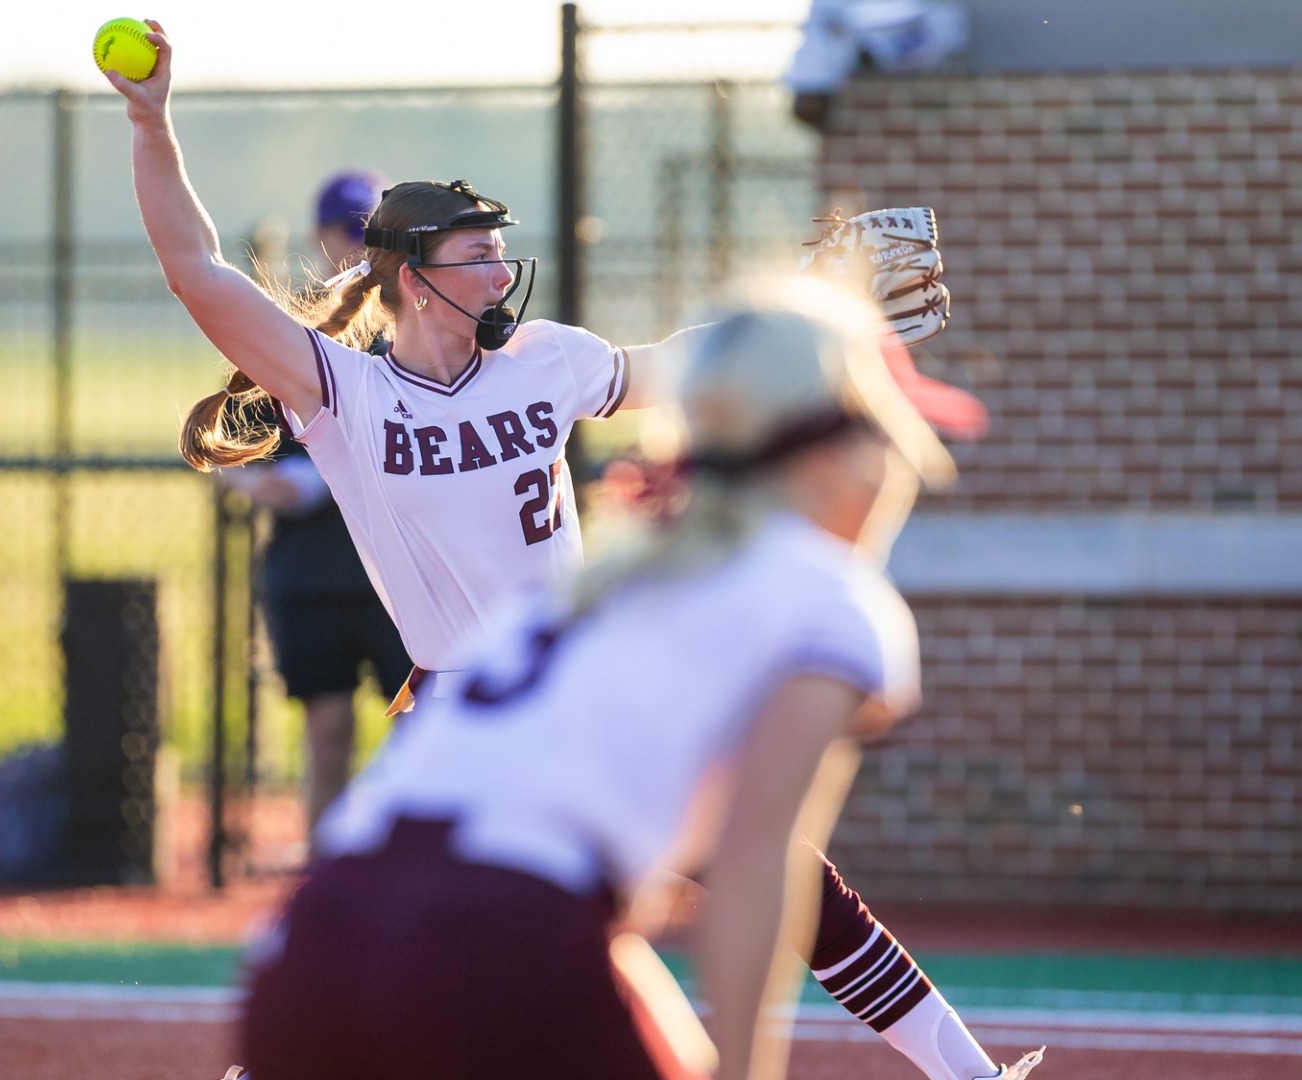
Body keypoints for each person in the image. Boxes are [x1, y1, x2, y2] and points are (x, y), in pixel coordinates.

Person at [103, 24, 1026, 1080]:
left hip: (566, 690)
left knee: (731, 893)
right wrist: (150, 122)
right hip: (457, 704)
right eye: (476, 254)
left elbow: (682, 367)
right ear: (412, 280)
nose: (502, 269)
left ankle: (969, 1071)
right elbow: (196, 270)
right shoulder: (343, 391)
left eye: (502, 248)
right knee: (446, 947)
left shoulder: (546, 360)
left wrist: (813, 326)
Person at [242, 280, 1040, 1080]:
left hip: (308, 946)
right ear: (829, 454)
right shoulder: (822, 595)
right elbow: (755, 864)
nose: (896, 469)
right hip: (495, 939)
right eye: (885, 440)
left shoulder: (587, 586)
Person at [220, 172, 413, 832]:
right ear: (319, 236)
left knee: (420, 734)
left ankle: (399, 865)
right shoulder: (288, 332)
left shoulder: (412, 333)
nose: (356, 247)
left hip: (393, 577)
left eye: (369, 234)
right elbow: (224, 447)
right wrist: (254, 484)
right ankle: (325, 868)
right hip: (310, 572)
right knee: (328, 734)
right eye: (346, 232)